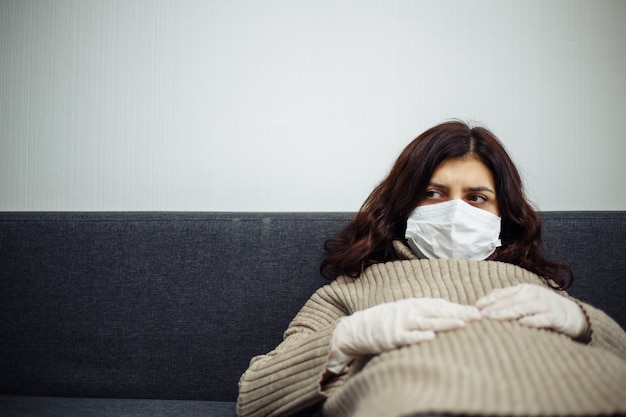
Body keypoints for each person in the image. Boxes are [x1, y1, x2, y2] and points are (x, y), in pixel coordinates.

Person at [236, 120, 626, 417]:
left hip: (563, 394)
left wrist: (582, 321)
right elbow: (253, 397)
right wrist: (347, 338)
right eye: (433, 194)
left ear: (502, 215)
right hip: (414, 398)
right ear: (405, 206)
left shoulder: (538, 285)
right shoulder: (351, 288)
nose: (455, 212)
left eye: (477, 198)